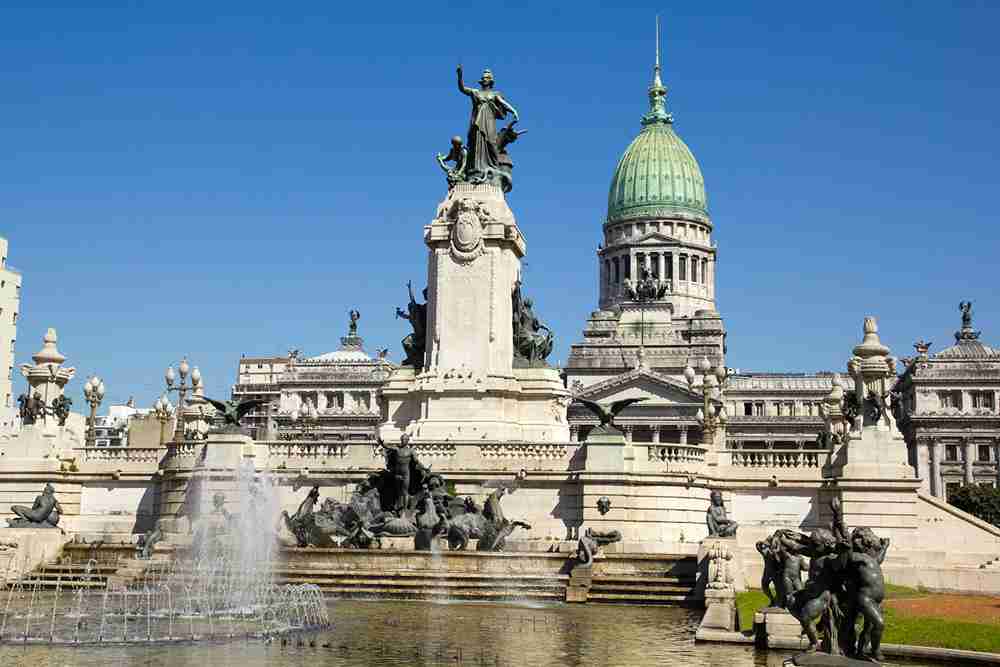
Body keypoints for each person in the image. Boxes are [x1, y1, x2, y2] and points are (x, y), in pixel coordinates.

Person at [456, 65, 518, 183]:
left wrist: (513, 110)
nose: (484, 80)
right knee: (476, 144)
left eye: (486, 78)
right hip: (477, 122)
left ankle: (493, 167)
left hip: (489, 122)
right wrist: (460, 76)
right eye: (483, 78)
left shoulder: (495, 94)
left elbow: (503, 103)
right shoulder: (475, 92)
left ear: (490, 81)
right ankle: (476, 169)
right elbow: (462, 88)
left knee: (490, 143)